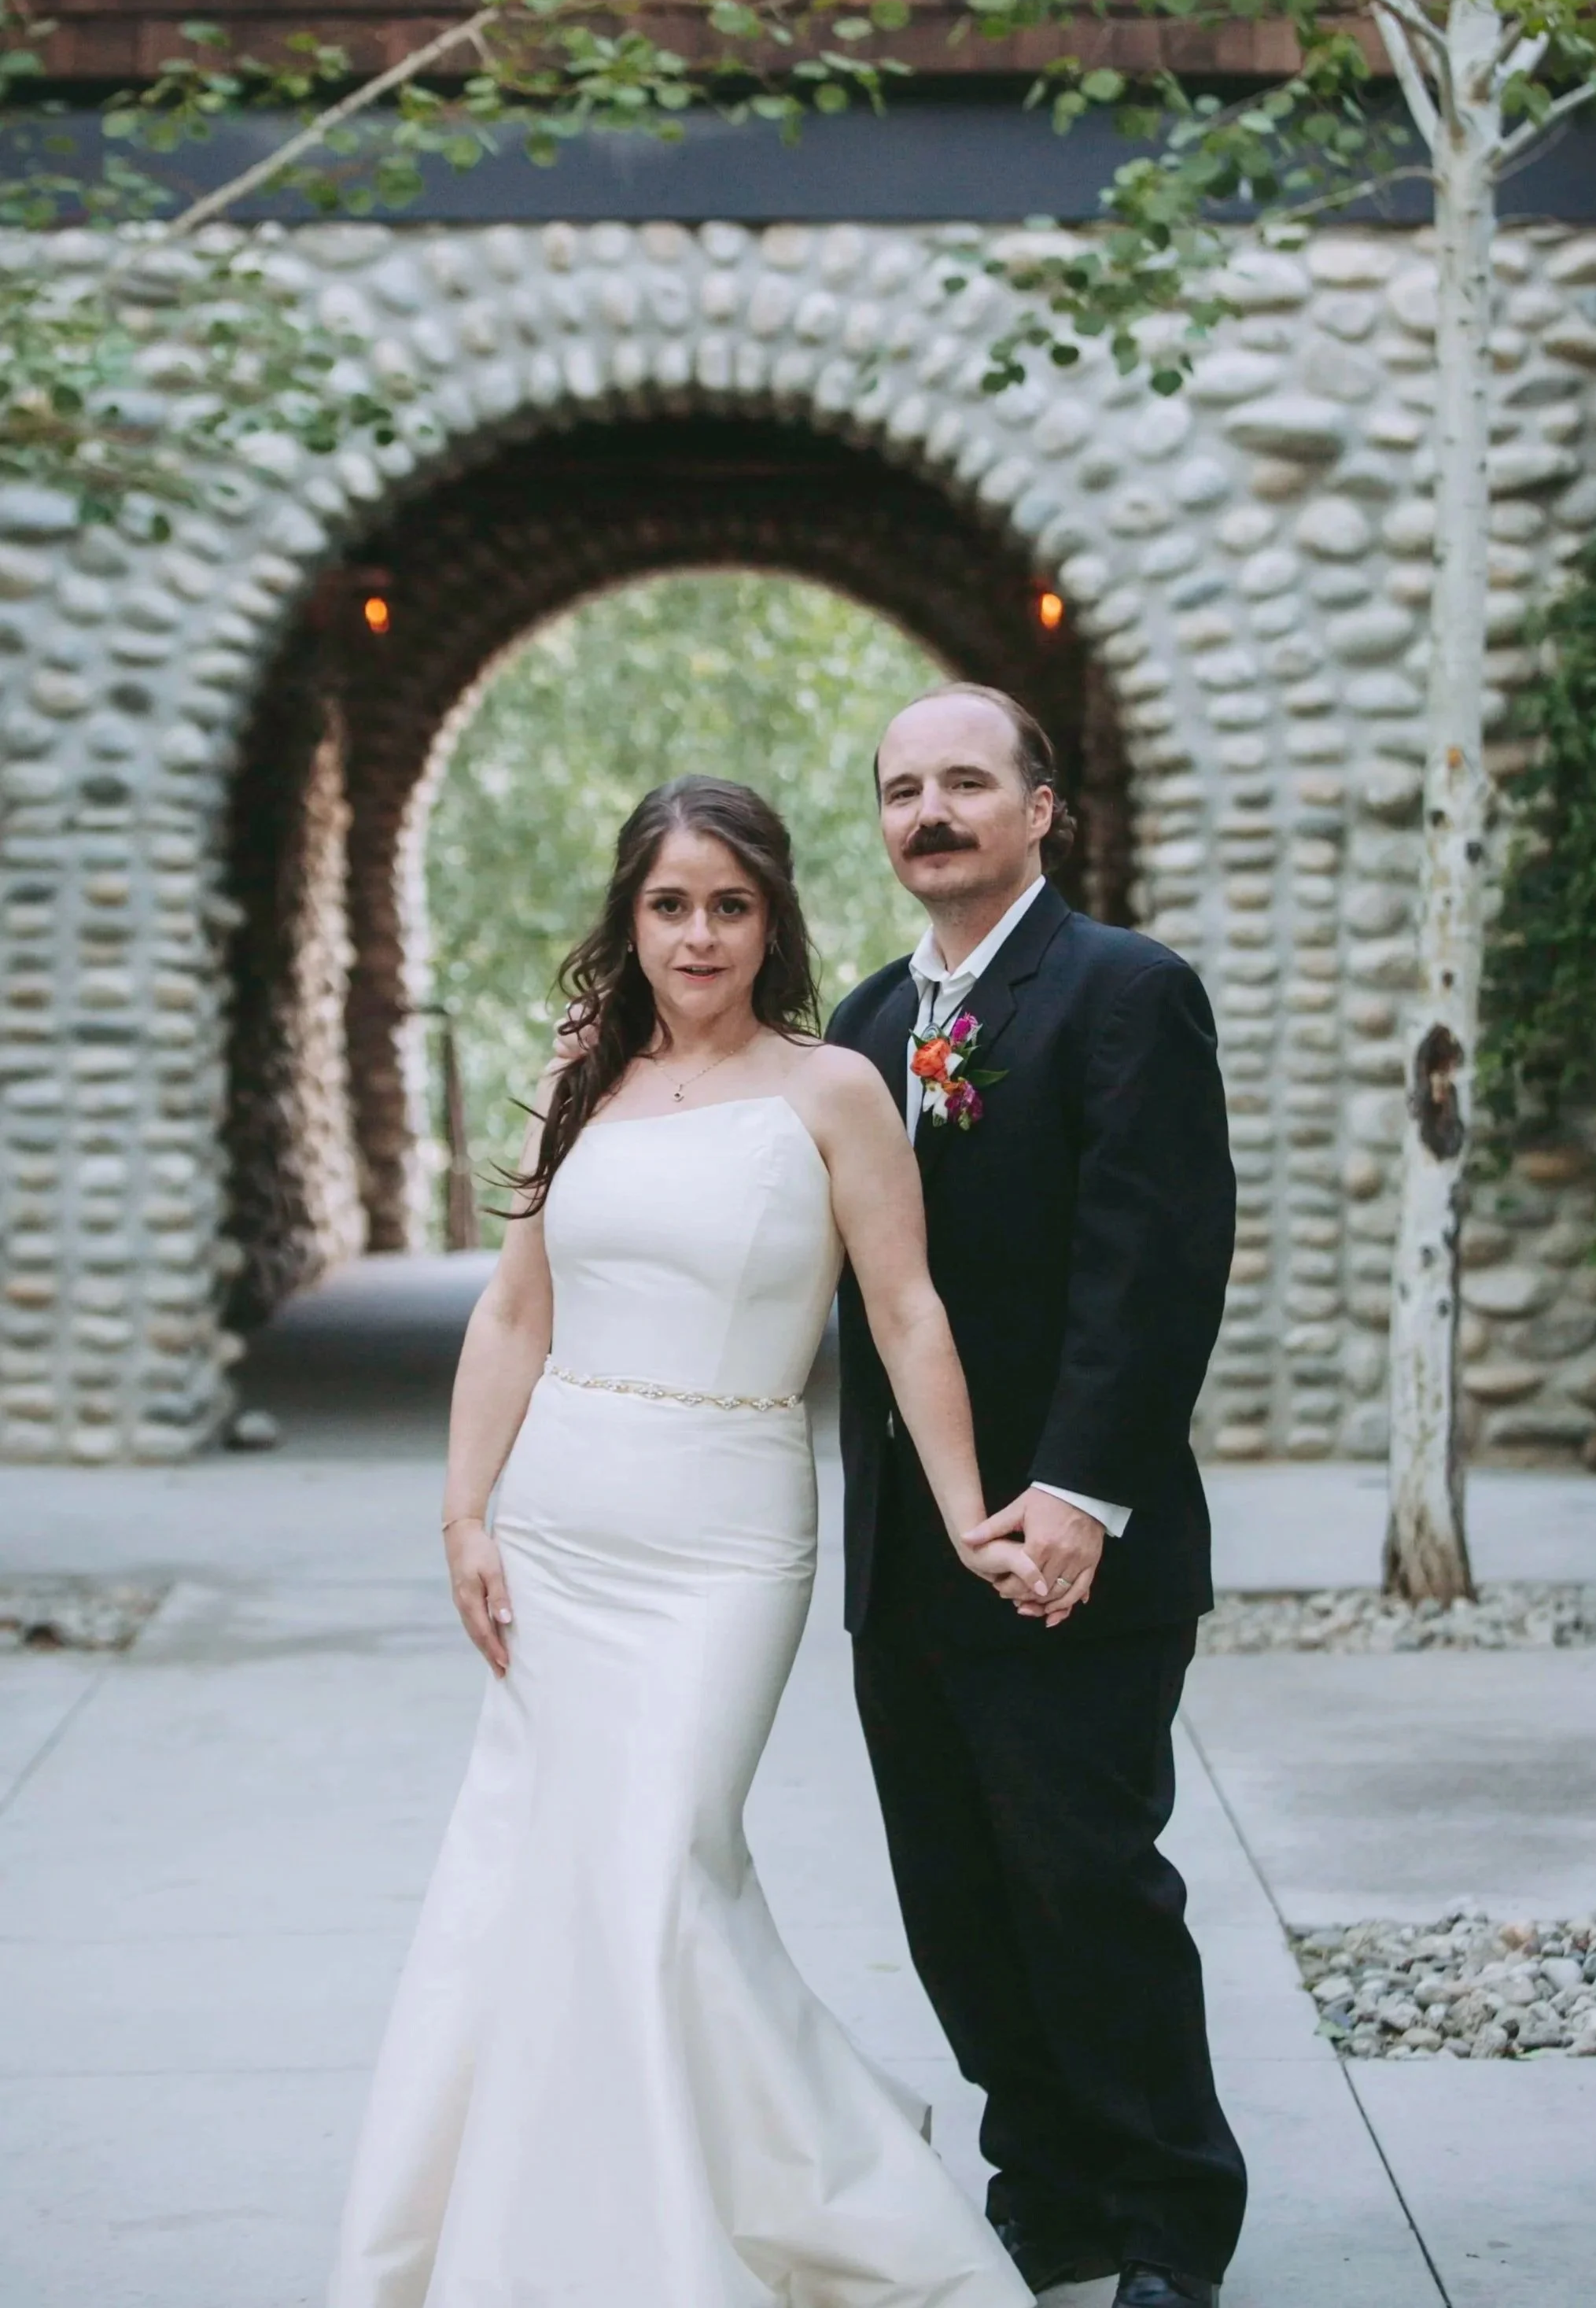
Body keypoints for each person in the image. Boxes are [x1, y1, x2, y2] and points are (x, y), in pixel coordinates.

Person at [329, 775, 1043, 2308]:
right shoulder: (580, 1067)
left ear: (771, 914)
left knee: (659, 1873)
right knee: (543, 1885)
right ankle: (558, 2234)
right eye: (669, 903)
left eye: (728, 902)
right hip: (563, 1519)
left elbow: (907, 1312)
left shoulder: (833, 1088)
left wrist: (962, 1507)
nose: (698, 932)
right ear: (628, 918)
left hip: (725, 1530)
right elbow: (515, 1309)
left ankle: (834, 2202)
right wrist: (464, 1511)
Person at [827, 685, 1247, 2308]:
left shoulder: (1124, 991)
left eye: (962, 783)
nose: (927, 812)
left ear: (1037, 808)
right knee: (956, 1895)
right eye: (899, 789)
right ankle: (1047, 2195)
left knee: (1089, 1887)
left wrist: (1080, 1491)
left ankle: (1164, 2225)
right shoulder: (865, 1025)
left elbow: (1155, 1259)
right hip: (910, 1556)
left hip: (1074, 1548)